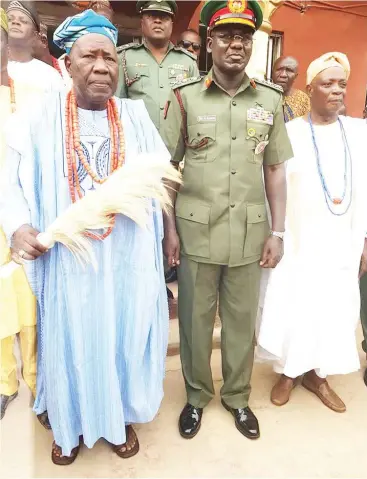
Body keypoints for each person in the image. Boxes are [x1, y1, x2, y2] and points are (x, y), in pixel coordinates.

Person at [1, 9, 169, 464]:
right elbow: (7, 177)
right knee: (69, 335)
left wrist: (169, 234)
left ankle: (117, 418)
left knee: (125, 333)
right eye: (89, 57)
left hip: (127, 255)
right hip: (68, 260)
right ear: (67, 64)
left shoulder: (135, 116)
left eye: (110, 58)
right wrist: (18, 225)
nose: (101, 67)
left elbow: (163, 176)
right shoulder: (37, 115)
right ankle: (69, 423)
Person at [161, 0, 292, 440]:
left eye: (244, 37)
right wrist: (168, 231)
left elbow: (274, 168)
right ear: (210, 43)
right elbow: (168, 170)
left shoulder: (270, 100)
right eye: (226, 36)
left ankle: (237, 397)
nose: (236, 45)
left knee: (239, 322)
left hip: (250, 234)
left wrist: (277, 231)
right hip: (196, 229)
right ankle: (197, 396)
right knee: (196, 322)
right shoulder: (186, 97)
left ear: (251, 45)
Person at [257, 52, 367, 412]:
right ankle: (290, 372)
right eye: (327, 83)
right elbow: (270, 186)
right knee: (295, 303)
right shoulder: (288, 134)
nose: (337, 91)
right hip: (299, 239)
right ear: (310, 89)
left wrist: (364, 240)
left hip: (341, 242)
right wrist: (276, 235)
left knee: (333, 306)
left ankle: (317, 375)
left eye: (341, 84)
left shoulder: (358, 134)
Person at [0, 6, 38, 422]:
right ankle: (4, 382)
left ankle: (34, 377)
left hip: (25, 210)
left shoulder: (32, 89)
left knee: (28, 300)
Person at [116, 0, 199, 131]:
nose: (158, 21)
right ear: (142, 22)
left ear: (172, 24)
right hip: (138, 143)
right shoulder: (124, 57)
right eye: (152, 16)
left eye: (164, 17)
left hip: (177, 146)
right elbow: (116, 106)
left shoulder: (188, 62)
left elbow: (195, 110)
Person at [6, 1, 64, 92]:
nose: (15, 22)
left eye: (23, 21)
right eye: (10, 19)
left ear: (35, 35)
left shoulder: (50, 75)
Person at [272, 55, 310, 122]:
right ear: (272, 72)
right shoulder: (262, 95)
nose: (283, 75)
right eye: (279, 69)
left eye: (289, 71)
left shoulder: (304, 100)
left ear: (295, 76)